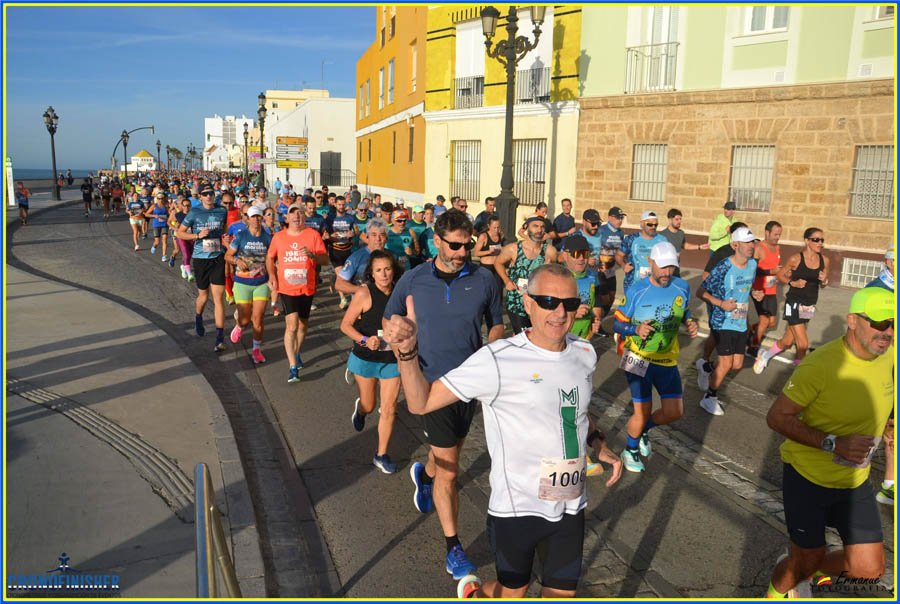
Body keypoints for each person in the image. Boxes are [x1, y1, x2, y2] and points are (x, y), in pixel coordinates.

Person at [385, 263, 622, 598]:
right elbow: (420, 403)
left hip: (570, 504)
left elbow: (574, 410)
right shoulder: (497, 360)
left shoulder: (584, 353)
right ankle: (475, 593)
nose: (559, 313)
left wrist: (598, 443)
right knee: (513, 592)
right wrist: (408, 352)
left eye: (569, 304)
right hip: (517, 508)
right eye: (548, 302)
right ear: (527, 303)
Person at [382, 209, 504, 581]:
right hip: (431, 383)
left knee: (449, 451)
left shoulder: (484, 279)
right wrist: (400, 337)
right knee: (451, 470)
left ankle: (425, 475)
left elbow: (496, 324)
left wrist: (493, 351)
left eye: (467, 245)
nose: (462, 252)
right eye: (454, 245)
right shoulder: (414, 279)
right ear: (437, 241)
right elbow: (390, 319)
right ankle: (454, 549)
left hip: (470, 384)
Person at [764, 286, 894, 599]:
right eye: (879, 322)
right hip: (808, 479)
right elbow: (777, 417)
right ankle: (778, 591)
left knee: (869, 570)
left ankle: (811, 570)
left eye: (893, 323)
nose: (888, 331)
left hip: (855, 481)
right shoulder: (820, 366)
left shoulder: (890, 352)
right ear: (852, 320)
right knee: (805, 560)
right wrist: (834, 443)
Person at [613, 242, 698, 472]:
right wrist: (635, 329)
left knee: (674, 412)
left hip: (667, 359)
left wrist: (690, 321)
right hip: (638, 358)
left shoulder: (682, 286)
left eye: (671, 267)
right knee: (641, 412)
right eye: (662, 267)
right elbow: (617, 323)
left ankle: (643, 431)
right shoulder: (638, 290)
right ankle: (630, 450)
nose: (666, 273)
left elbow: (684, 310)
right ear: (651, 262)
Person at [340, 250, 403, 474]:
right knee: (369, 404)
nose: (384, 274)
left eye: (387, 269)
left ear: (393, 270)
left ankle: (381, 454)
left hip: (392, 361)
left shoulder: (401, 292)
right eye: (378, 270)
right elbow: (345, 325)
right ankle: (361, 410)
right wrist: (365, 340)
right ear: (372, 273)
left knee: (389, 408)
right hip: (366, 358)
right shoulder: (364, 293)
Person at [696, 227, 759, 416]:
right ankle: (709, 397)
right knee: (725, 363)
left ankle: (706, 367)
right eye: (747, 242)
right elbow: (700, 292)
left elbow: (747, 286)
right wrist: (720, 303)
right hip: (722, 320)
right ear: (735, 245)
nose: (751, 246)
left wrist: (755, 293)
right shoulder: (723, 267)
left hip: (740, 321)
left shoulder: (752, 265)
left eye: (753, 242)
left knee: (737, 364)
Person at [266, 203, 328, 383]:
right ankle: (293, 367)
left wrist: (313, 255)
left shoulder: (313, 235)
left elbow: (325, 259)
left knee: (302, 325)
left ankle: (297, 351)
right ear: (287, 218)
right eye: (293, 213)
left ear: (304, 217)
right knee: (292, 326)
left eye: (300, 213)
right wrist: (272, 275)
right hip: (287, 288)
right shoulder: (279, 237)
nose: (297, 216)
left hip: (307, 287)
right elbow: (269, 257)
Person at [754, 228, 830, 372]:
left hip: (809, 304)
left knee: (787, 341)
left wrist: (824, 280)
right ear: (807, 241)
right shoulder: (796, 259)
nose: (820, 243)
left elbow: (823, 284)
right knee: (803, 344)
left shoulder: (825, 260)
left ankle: (765, 355)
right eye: (816, 240)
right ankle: (798, 375)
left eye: (822, 240)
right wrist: (792, 283)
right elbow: (780, 275)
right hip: (794, 301)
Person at [694, 221, 748, 391]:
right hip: (719, 303)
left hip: (737, 310)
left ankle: (707, 366)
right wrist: (721, 297)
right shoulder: (722, 253)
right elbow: (705, 275)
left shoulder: (748, 257)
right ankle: (704, 360)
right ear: (735, 239)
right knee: (715, 334)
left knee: (734, 362)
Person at [176, 184, 229, 351]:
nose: (208, 196)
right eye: (205, 194)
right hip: (200, 259)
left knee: (218, 298)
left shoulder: (222, 210)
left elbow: (224, 230)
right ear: (200, 196)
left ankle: (219, 338)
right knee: (204, 296)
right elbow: (179, 232)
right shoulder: (194, 212)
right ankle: (198, 317)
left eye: (211, 193)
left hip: (217, 257)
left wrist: (225, 239)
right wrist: (197, 235)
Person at [864, 245, 894, 507]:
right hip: (880, 366)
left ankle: (889, 485)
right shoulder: (875, 289)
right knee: (875, 426)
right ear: (889, 262)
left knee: (892, 428)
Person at [495, 215, 558, 333]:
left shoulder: (550, 251)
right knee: (524, 335)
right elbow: (498, 262)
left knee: (537, 336)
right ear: (527, 228)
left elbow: (556, 274)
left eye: (542, 227)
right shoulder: (513, 249)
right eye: (535, 226)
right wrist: (506, 281)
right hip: (517, 301)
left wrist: (548, 269)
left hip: (539, 303)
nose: (539, 230)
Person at [226, 206, 272, 364]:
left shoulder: (267, 237)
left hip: (261, 283)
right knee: (245, 320)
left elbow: (271, 259)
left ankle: (256, 350)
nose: (256, 219)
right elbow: (228, 255)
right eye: (253, 216)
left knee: (258, 319)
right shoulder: (241, 236)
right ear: (248, 218)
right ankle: (240, 326)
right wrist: (237, 260)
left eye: (258, 216)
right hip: (242, 282)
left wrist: (273, 276)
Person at [749, 221, 783, 355]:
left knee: (772, 322)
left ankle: (751, 329)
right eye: (775, 234)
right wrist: (770, 271)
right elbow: (751, 270)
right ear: (767, 232)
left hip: (771, 289)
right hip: (759, 290)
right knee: (764, 320)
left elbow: (775, 267)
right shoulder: (759, 248)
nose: (777, 237)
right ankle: (753, 347)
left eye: (779, 235)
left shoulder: (778, 248)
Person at [559, 235, 602, 339]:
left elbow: (596, 305)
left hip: (584, 338)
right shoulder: (557, 277)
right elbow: (547, 312)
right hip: (561, 337)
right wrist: (572, 313)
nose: (581, 258)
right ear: (565, 255)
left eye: (585, 254)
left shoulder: (593, 277)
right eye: (576, 254)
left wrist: (597, 320)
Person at [617, 211, 668, 292]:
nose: (653, 227)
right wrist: (623, 265)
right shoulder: (631, 239)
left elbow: (667, 261)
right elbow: (619, 255)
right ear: (642, 224)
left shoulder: (662, 240)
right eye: (650, 224)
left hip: (655, 285)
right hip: (633, 284)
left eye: (656, 224)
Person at [335, 218, 389, 295]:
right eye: (374, 235)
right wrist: (361, 290)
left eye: (382, 235)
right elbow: (339, 284)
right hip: (363, 301)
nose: (378, 239)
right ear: (367, 236)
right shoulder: (356, 257)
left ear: (386, 238)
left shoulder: (392, 256)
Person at [324, 196, 358, 309]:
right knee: (341, 275)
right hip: (335, 250)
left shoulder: (350, 217)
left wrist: (353, 234)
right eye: (339, 204)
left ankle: (334, 279)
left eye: (343, 204)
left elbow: (356, 231)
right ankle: (343, 298)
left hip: (347, 250)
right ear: (335, 205)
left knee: (348, 275)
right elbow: (325, 233)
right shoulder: (330, 218)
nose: (341, 207)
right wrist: (330, 236)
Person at [596, 207, 626, 328]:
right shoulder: (601, 231)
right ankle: (598, 323)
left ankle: (601, 321)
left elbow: (621, 252)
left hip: (612, 271)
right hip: (601, 271)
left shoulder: (621, 233)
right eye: (618, 218)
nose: (620, 220)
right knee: (604, 298)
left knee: (612, 298)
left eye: (621, 218)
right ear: (610, 218)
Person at [658, 208, 710, 277]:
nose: (679, 221)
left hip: (676, 268)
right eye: (677, 219)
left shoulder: (681, 233)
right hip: (664, 269)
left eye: (680, 219)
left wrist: (699, 247)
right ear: (670, 220)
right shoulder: (662, 235)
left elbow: (684, 245)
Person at [473, 215, 505, 292]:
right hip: (486, 267)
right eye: (494, 228)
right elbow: (476, 253)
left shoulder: (500, 235)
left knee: (498, 290)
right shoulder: (483, 236)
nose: (496, 230)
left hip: (497, 266)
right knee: (486, 290)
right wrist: (489, 252)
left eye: (498, 227)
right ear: (489, 226)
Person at [144, 192, 171, 262]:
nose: (160, 200)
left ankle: (164, 255)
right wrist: (154, 215)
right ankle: (154, 246)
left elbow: (170, 214)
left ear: (164, 199)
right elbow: (146, 214)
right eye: (159, 198)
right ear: (157, 199)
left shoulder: (166, 205)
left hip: (164, 224)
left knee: (164, 239)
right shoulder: (154, 206)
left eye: (162, 198)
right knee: (157, 241)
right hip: (156, 224)